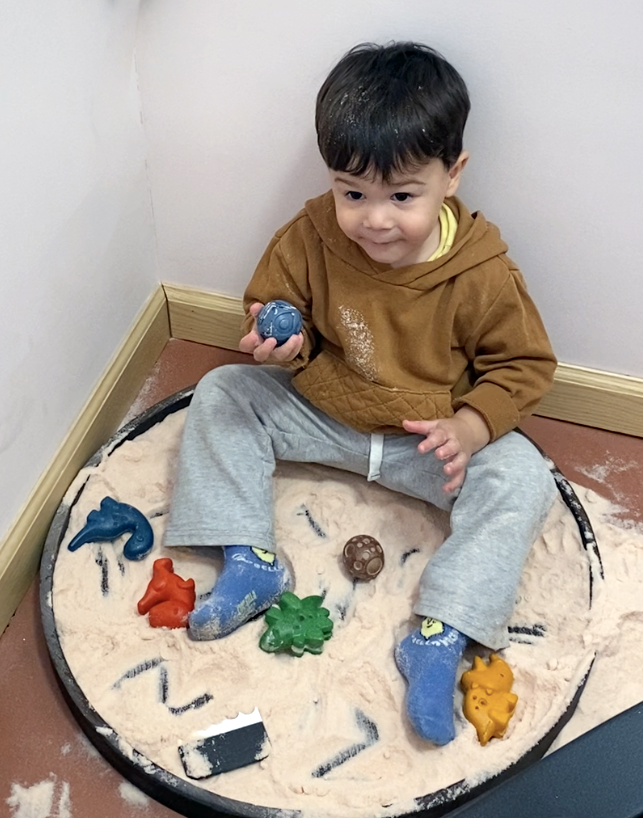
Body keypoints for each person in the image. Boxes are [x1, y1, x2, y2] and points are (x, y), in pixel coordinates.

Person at [164, 41, 558, 746]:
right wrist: (283, 339)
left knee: (524, 474)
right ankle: (249, 560)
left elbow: (524, 366)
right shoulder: (311, 235)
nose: (375, 219)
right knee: (223, 390)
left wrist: (470, 428)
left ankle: (440, 632)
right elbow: (274, 302)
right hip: (325, 413)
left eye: (401, 196)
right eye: (353, 193)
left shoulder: (482, 274)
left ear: (452, 175)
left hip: (423, 443)